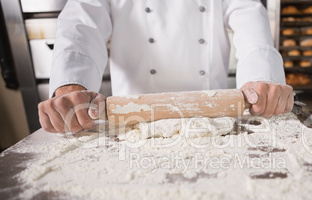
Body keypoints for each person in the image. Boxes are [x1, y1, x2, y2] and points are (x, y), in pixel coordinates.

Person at [38, 0, 293, 133]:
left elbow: (248, 14)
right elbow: (82, 22)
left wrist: (262, 77)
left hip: (212, 118)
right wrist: (70, 85)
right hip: (131, 120)